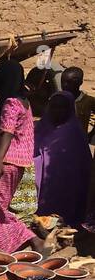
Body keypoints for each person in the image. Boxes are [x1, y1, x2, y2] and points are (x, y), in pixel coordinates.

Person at [0, 59, 44, 254]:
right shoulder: (25, 103)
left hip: (3, 163)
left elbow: (7, 132)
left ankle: (31, 240)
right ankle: (4, 246)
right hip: (18, 163)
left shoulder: (10, 103)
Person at [34, 89, 91, 227]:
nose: (57, 111)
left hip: (66, 187)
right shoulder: (41, 126)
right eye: (54, 107)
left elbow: (83, 166)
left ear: (70, 109)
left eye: (62, 107)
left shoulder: (74, 132)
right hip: (38, 186)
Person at [61, 66, 95, 142]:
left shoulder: (88, 101)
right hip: (61, 143)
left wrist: (91, 134)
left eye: (69, 82)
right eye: (62, 82)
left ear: (80, 83)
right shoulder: (58, 99)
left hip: (80, 143)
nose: (64, 85)